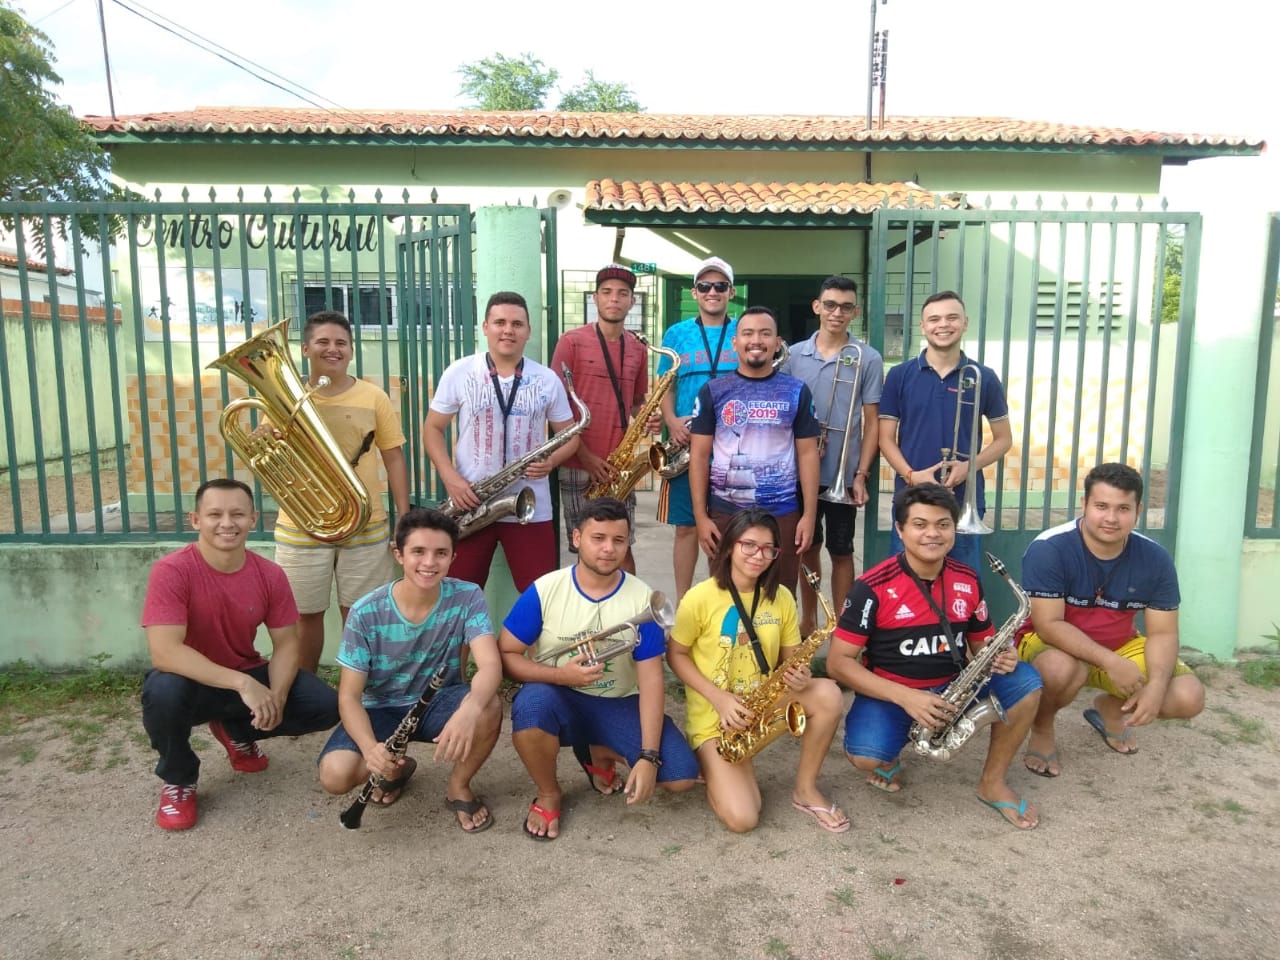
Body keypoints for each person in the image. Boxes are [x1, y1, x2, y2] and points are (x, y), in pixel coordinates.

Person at [825, 483, 1044, 830]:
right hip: (893, 692)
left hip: (953, 687)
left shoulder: (968, 579)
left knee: (1026, 682)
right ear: (900, 529)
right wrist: (907, 697)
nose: (933, 533)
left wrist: (1001, 655)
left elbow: (982, 644)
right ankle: (889, 757)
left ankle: (992, 782)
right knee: (866, 756)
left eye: (943, 524)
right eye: (920, 524)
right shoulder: (871, 587)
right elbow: (838, 662)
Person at [140, 478, 339, 831]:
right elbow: (165, 652)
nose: (227, 523)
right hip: (193, 682)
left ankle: (236, 730)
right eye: (214, 514)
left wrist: (276, 697)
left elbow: (287, 644)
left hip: (244, 673)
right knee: (162, 691)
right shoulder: (172, 571)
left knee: (325, 704)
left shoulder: (269, 574)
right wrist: (243, 684)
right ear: (195, 520)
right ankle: (179, 779)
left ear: (253, 519)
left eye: (237, 514)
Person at [499, 497, 699, 840]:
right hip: (560, 697)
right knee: (531, 708)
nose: (609, 549)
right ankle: (548, 793)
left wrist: (649, 756)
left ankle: (599, 751)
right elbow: (507, 654)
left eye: (618, 540)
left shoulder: (644, 599)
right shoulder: (545, 590)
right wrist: (560, 676)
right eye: (598, 538)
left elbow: (652, 682)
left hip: (619, 702)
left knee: (681, 776)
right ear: (577, 538)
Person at [316, 508, 503, 831]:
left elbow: (490, 665)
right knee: (335, 775)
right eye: (418, 551)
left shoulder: (467, 596)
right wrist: (370, 750)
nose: (429, 562)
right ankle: (395, 767)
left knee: (489, 706)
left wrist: (470, 708)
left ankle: (458, 786)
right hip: (379, 709)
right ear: (398, 554)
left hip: (439, 702)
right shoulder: (365, 612)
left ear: (453, 557)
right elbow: (348, 697)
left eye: (440, 553)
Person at [1017, 462, 1205, 777]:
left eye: (1123, 509)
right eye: (1101, 506)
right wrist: (1110, 662)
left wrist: (1157, 686)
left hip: (1120, 645)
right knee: (1060, 668)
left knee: (1188, 696)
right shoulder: (1050, 548)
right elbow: (1048, 625)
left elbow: (1163, 633)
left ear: (1138, 511)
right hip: (1052, 645)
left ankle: (1110, 709)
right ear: (1084, 504)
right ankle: (1043, 727)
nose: (1111, 518)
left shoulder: (1155, 559)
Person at [667, 508, 847, 834]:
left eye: (767, 549)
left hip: (760, 706)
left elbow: (792, 660)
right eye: (748, 545)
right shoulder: (700, 597)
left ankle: (805, 790)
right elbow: (675, 654)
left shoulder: (782, 598)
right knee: (743, 819)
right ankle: (712, 763)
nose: (758, 555)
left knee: (828, 694)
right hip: (716, 718)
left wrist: (801, 674)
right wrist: (719, 699)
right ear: (729, 547)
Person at [272, 310, 410, 672]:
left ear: (350, 350)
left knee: (361, 613)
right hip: (303, 524)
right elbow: (270, 451)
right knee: (304, 615)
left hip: (364, 522)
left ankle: (358, 689)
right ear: (305, 349)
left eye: (341, 343)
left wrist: (404, 515)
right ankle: (306, 690)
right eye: (323, 342)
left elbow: (393, 458)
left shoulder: (373, 397)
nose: (332, 349)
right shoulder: (285, 396)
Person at [425, 291, 579, 591]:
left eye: (517, 324)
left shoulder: (547, 379)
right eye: (500, 322)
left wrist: (551, 462)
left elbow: (570, 437)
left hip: (529, 506)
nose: (508, 330)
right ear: (485, 327)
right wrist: (450, 478)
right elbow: (432, 428)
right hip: (471, 503)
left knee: (541, 595)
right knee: (457, 597)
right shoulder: (459, 372)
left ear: (528, 331)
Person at [878, 291, 1012, 573]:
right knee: (905, 583)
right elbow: (885, 439)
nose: (943, 325)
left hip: (963, 499)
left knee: (962, 582)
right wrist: (912, 475)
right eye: (934, 319)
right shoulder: (899, 375)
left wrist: (968, 467)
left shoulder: (983, 377)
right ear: (922, 326)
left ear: (965, 323)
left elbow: (1004, 440)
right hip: (911, 498)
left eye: (952, 317)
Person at [688, 305, 820, 590]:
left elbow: (808, 454)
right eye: (748, 333)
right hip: (726, 511)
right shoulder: (713, 391)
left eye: (765, 333)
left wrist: (809, 515)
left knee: (780, 596)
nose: (756, 340)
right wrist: (701, 517)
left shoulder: (797, 391)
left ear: (777, 342)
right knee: (725, 596)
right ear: (735, 343)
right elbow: (698, 456)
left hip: (782, 512)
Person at [782, 276, 884, 635]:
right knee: (806, 547)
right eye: (830, 305)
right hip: (800, 472)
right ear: (817, 307)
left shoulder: (868, 358)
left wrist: (861, 474)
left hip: (843, 472)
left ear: (855, 312)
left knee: (842, 551)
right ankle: (809, 620)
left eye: (845, 307)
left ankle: (843, 629)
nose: (836, 313)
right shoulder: (794, 356)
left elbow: (872, 422)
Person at [550, 263, 650, 573]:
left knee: (623, 547)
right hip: (578, 463)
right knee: (587, 551)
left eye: (622, 294)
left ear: (632, 301)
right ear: (595, 298)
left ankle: (630, 603)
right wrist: (586, 456)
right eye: (606, 292)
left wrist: (648, 417)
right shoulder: (571, 342)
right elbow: (555, 407)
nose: (614, 299)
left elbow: (636, 402)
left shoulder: (638, 348)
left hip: (618, 467)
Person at [656, 256, 740, 603]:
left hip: (733, 445)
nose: (712, 292)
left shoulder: (743, 329)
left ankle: (720, 603)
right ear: (694, 292)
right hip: (685, 444)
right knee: (687, 527)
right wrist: (672, 421)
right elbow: (665, 384)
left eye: (720, 286)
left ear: (731, 292)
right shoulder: (676, 333)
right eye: (704, 286)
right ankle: (684, 604)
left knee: (727, 527)